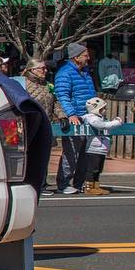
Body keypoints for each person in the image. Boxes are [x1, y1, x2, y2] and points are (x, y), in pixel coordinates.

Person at [54, 42, 96, 195]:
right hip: (76, 117)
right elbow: (62, 96)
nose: (88, 58)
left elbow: (90, 93)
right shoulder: (65, 73)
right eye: (85, 55)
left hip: (88, 116)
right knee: (71, 151)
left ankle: (78, 182)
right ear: (76, 57)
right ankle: (63, 183)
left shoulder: (85, 72)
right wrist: (71, 114)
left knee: (86, 152)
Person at [81, 96, 122, 197]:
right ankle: (88, 187)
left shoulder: (100, 118)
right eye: (103, 108)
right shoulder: (91, 118)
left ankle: (96, 185)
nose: (105, 110)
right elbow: (101, 125)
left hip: (101, 148)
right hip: (93, 148)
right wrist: (116, 122)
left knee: (98, 169)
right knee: (92, 169)